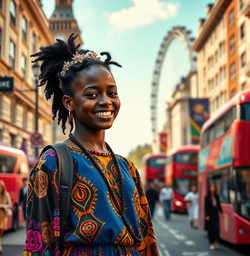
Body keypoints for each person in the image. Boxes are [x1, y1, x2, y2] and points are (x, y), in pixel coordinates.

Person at [23, 34, 159, 256]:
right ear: (68, 102)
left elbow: (147, 239)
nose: (106, 101)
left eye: (112, 93)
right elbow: (39, 242)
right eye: (92, 94)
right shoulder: (53, 162)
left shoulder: (128, 167)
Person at [0, 180, 12, 255]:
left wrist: (3, 206)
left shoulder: (6, 195)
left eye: (1, 187)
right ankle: (0, 247)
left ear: (3, 188)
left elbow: (10, 205)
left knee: (1, 231)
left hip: (3, 215)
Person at [205, 183, 223, 250]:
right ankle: (211, 243)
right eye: (211, 187)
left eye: (213, 187)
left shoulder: (217, 196)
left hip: (216, 214)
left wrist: (222, 212)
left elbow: (219, 205)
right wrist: (206, 215)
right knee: (210, 230)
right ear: (209, 189)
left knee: (217, 229)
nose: (212, 188)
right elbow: (206, 207)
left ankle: (216, 242)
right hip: (210, 215)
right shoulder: (207, 197)